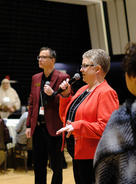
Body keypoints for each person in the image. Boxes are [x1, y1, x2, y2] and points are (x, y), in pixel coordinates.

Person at [56, 49, 119, 184]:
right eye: (81, 65)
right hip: (78, 155)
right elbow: (66, 117)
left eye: (85, 66)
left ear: (97, 69)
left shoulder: (106, 93)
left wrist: (77, 126)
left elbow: (106, 128)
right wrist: (66, 96)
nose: (81, 69)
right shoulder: (82, 90)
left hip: (94, 158)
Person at [26, 47, 69, 184]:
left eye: (43, 57)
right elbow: (32, 103)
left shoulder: (63, 77)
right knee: (38, 165)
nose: (40, 59)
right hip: (38, 128)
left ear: (53, 60)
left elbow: (67, 101)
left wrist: (53, 94)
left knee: (56, 166)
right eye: (39, 57)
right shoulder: (36, 78)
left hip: (54, 127)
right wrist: (28, 125)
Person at [94, 42, 136, 184]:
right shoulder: (80, 92)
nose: (81, 69)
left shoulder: (123, 117)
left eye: (86, 65)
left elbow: (103, 168)